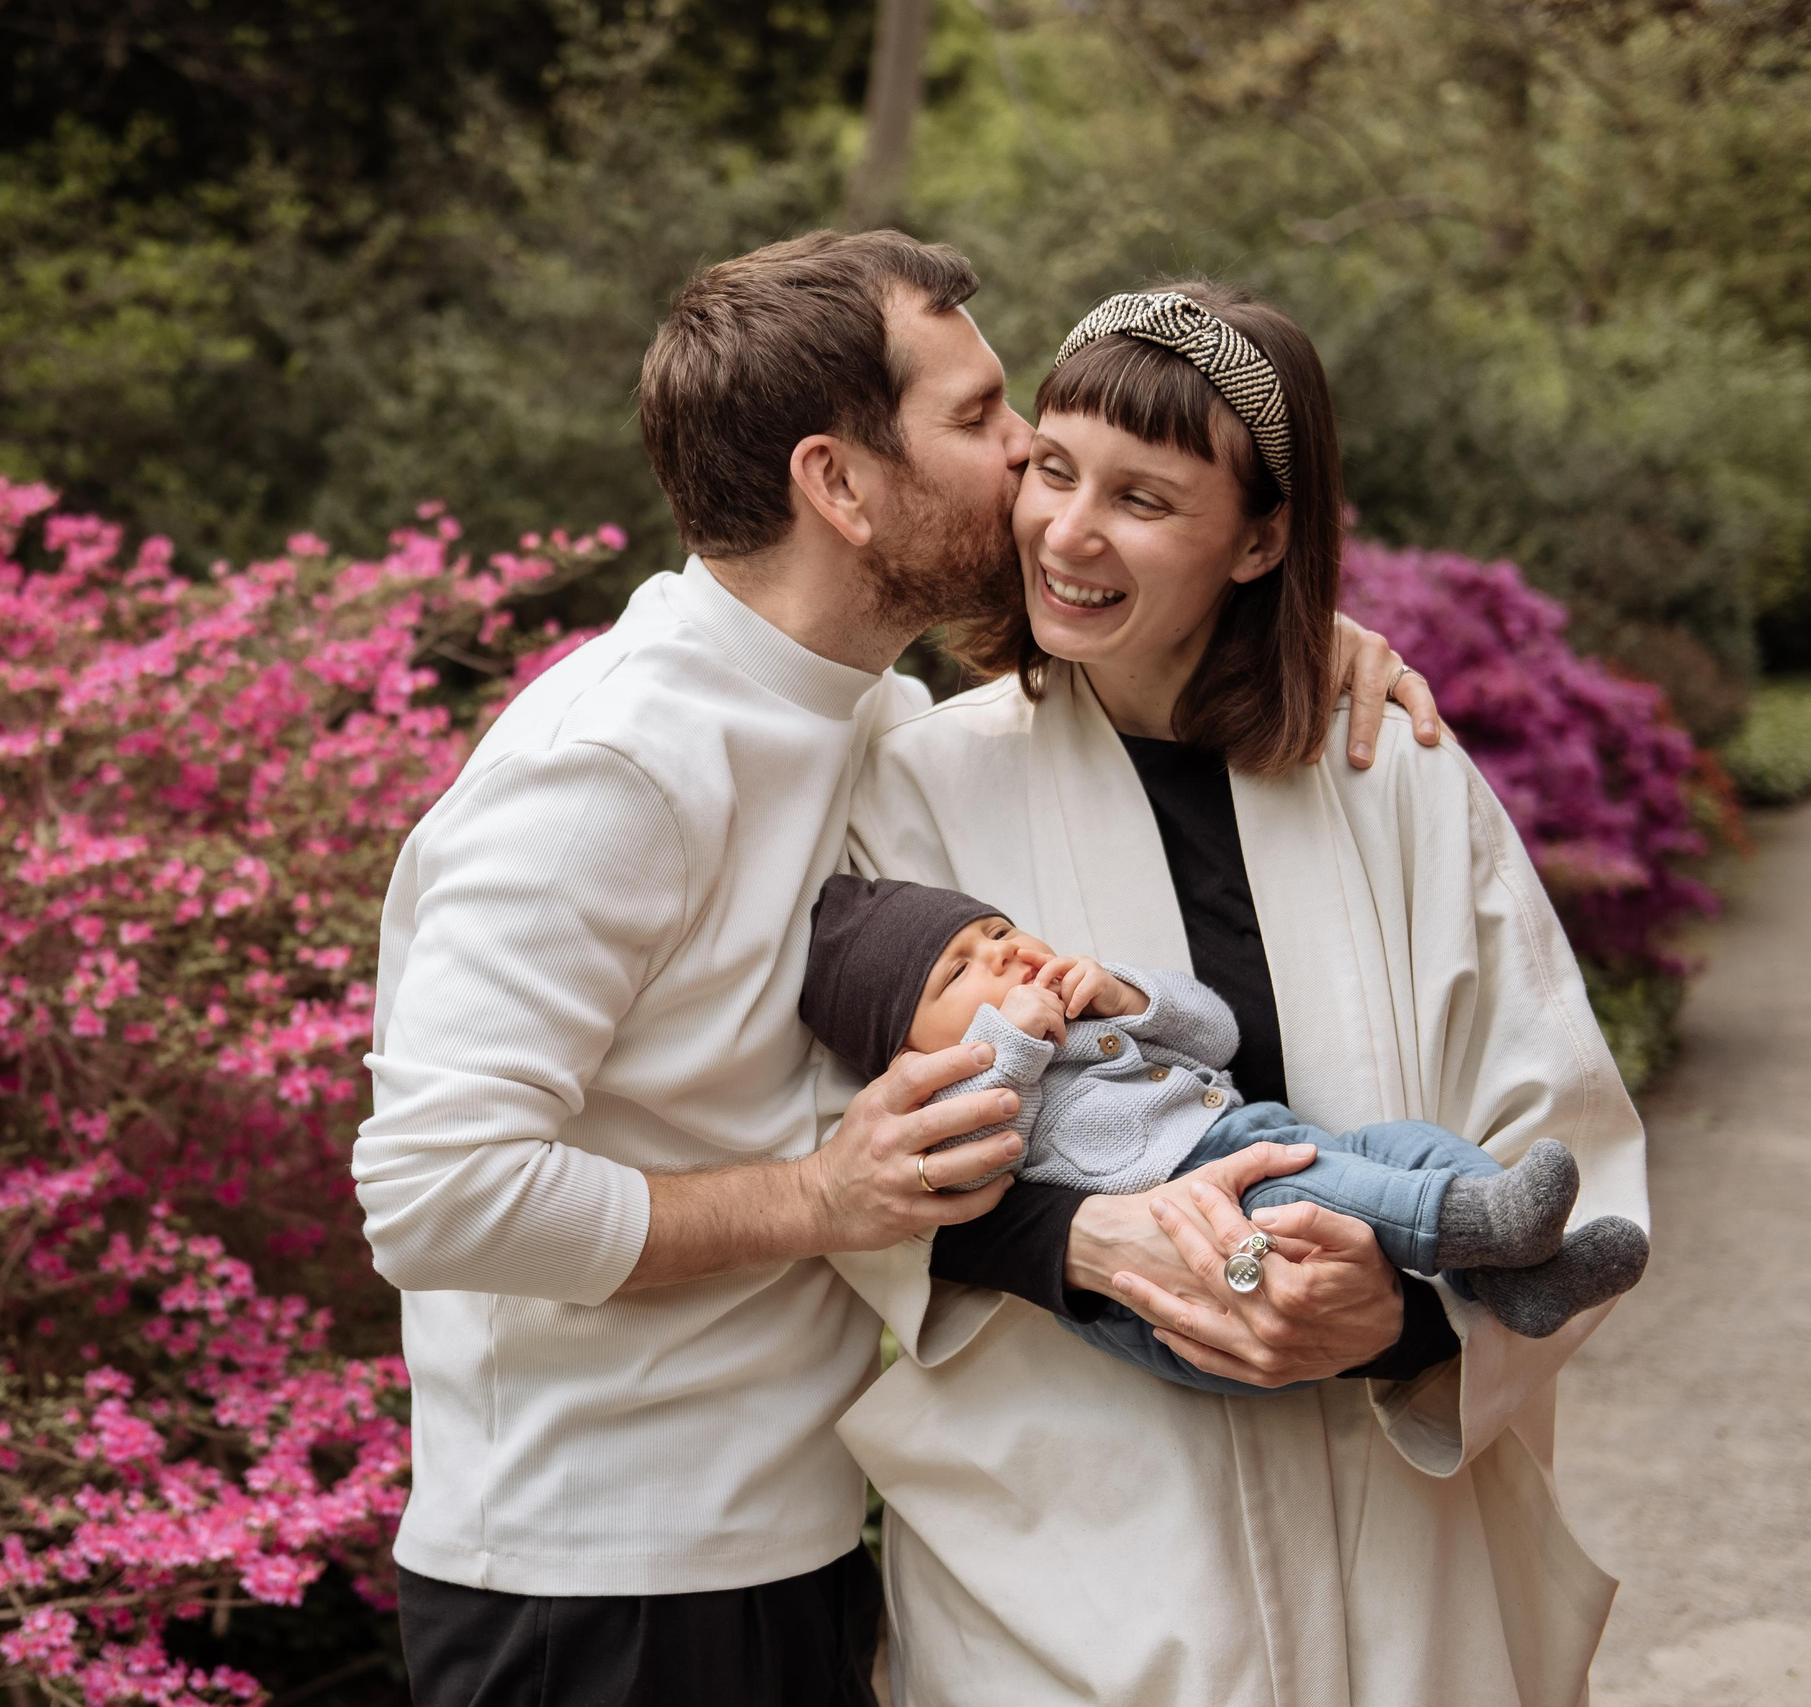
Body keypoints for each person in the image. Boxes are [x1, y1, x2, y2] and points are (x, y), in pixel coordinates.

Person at [351, 233, 1440, 1707]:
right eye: (986, 419)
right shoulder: (609, 763)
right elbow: (432, 1191)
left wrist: (1283, 614)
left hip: (787, 1540)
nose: (1028, 460)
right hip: (588, 1579)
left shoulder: (863, 715)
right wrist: (819, 1195)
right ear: (841, 484)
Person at [826, 282, 1647, 1706]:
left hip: (1397, 1550)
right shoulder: (913, 788)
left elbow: (1564, 1131)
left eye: (1146, 498)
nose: (1070, 531)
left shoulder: (1395, 772)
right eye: (1055, 470)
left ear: (1261, 538)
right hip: (1072, 1559)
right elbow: (848, 1153)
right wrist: (1099, 1241)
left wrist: (1397, 1324)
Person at [798, 873, 1649, 1383]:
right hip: (1201, 1232)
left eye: (999, 930)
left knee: (1404, 1144)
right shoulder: (952, 1098)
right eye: (961, 970)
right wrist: (1011, 1039)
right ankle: (1482, 1227)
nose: (1004, 955)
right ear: (910, 1049)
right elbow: (963, 1168)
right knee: (1332, 1191)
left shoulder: (1088, 1015)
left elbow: (1218, 1034)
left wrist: (1128, 997)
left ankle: (1514, 1271)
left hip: (1257, 1140)